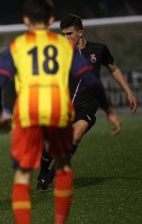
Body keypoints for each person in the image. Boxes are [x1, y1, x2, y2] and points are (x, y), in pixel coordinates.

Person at [0, 0, 114, 224]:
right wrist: (109, 110)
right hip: (58, 112)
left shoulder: (17, 46)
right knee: (64, 167)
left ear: (26, 20)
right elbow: (92, 80)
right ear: (51, 20)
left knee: (22, 174)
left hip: (28, 114)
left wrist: (3, 113)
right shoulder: (63, 46)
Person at [36, 14, 136, 190]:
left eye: (69, 34)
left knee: (75, 135)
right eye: (63, 34)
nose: (65, 38)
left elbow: (113, 68)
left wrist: (128, 92)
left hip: (88, 105)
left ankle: (52, 174)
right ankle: (43, 172)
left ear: (80, 33)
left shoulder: (99, 50)